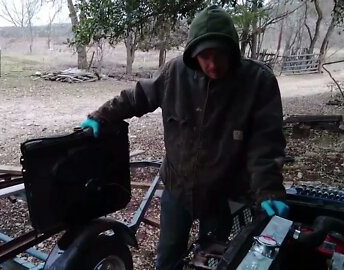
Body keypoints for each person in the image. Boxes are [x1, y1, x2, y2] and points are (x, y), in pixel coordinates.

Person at [80, 5, 289, 270]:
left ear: (233, 52)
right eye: (205, 56)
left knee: (214, 258)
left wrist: (268, 189)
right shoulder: (174, 74)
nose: (213, 64)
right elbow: (136, 98)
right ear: (193, 55)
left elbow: (266, 143)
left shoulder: (258, 82)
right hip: (177, 189)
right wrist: (100, 116)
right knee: (168, 256)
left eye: (220, 55)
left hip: (223, 194)